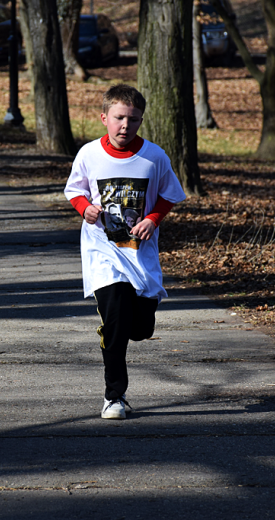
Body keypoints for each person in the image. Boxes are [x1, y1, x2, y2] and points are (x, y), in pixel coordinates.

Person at [64, 84, 187, 420]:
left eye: (133, 120)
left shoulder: (154, 156)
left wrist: (152, 218)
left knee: (141, 329)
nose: (125, 126)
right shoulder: (89, 154)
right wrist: (86, 209)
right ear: (104, 117)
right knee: (116, 323)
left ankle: (131, 323)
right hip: (103, 255)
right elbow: (74, 190)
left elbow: (170, 194)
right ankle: (114, 396)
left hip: (140, 255)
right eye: (118, 118)